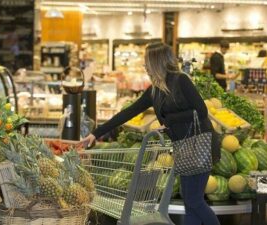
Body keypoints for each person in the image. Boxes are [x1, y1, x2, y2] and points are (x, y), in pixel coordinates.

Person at [81, 42, 221, 225]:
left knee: (194, 200)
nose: (144, 65)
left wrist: (169, 121)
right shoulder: (155, 90)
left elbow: (201, 111)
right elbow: (128, 112)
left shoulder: (181, 80)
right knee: (190, 201)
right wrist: (96, 133)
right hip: (183, 147)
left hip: (200, 144)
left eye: (147, 61)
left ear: (157, 62)